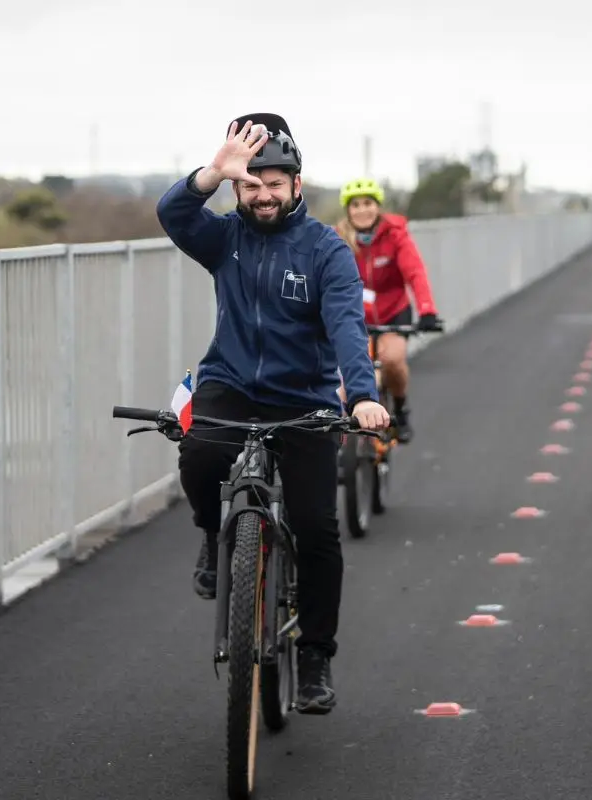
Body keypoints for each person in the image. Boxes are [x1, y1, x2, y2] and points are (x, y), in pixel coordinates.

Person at [155, 113, 387, 715]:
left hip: (305, 398)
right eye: (250, 186)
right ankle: (213, 534)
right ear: (239, 191)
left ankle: (314, 656)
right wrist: (211, 173)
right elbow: (173, 216)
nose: (262, 196)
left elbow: (345, 323)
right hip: (229, 384)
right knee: (200, 452)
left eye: (273, 184)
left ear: (297, 185)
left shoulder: (325, 250)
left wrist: (361, 395)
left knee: (316, 528)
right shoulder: (224, 237)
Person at [334, 178, 439, 443]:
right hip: (355, 319)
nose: (362, 210)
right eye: (355, 205)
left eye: (368, 203)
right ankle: (343, 443)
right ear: (348, 209)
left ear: (378, 207)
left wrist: (427, 310)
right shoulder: (337, 239)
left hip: (394, 312)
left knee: (392, 359)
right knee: (348, 382)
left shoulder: (395, 234)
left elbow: (415, 273)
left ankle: (401, 409)